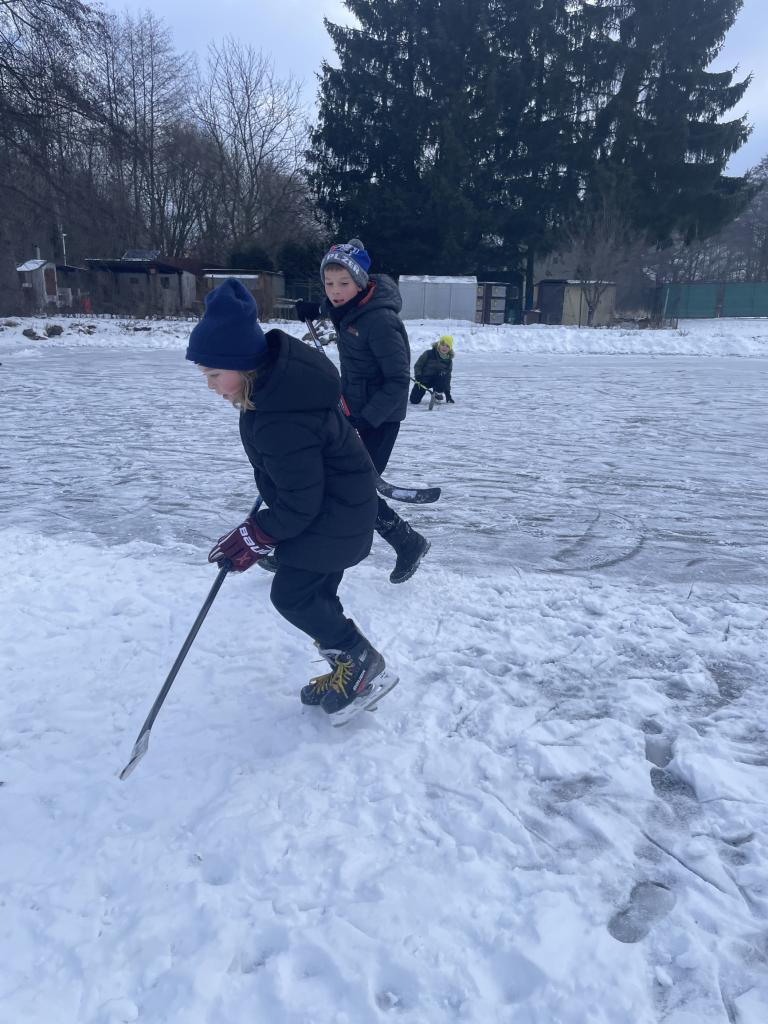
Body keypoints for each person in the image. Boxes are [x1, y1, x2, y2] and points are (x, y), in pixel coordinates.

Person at [187, 277, 396, 722]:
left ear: (241, 364)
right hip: (342, 511)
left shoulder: (278, 418)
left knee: (292, 595)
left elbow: (300, 501)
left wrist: (256, 534)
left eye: (213, 375)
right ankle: (348, 666)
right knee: (315, 594)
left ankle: (360, 661)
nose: (209, 385)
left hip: (333, 519)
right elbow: (297, 476)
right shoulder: (276, 393)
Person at [295, 239, 430, 584]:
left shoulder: (381, 321)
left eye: (343, 283)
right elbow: (338, 308)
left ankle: (407, 542)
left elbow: (398, 380)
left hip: (378, 420)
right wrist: (316, 308)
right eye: (329, 283)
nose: (335, 291)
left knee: (350, 489)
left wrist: (366, 418)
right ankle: (406, 542)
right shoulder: (351, 308)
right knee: (335, 483)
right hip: (352, 410)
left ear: (360, 282)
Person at [410, 335, 456, 404]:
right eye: (443, 345)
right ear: (439, 344)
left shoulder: (448, 361)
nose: (444, 348)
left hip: (437, 381)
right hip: (423, 380)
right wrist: (418, 376)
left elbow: (447, 377)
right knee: (414, 401)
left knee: (443, 375)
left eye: (447, 346)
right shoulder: (428, 353)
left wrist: (448, 394)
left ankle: (437, 394)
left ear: (450, 348)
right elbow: (418, 365)